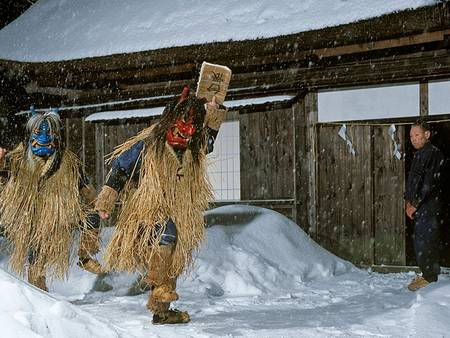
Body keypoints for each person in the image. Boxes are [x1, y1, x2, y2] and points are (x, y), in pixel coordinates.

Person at [95, 85, 227, 324]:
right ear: (170, 122)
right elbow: (121, 167)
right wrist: (107, 199)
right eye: (180, 128)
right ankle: (157, 284)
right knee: (167, 232)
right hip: (147, 209)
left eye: (190, 132)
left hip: (179, 210)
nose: (184, 136)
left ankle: (162, 311)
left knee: (174, 259)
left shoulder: (193, 147)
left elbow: (208, 142)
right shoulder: (149, 145)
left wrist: (213, 111)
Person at [0, 108, 102, 291]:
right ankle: (39, 294)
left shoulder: (69, 163)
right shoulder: (15, 161)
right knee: (36, 256)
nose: (44, 138)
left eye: (50, 133)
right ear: (30, 135)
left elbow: (85, 187)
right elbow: (3, 178)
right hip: (30, 218)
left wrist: (100, 203)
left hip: (61, 217)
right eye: (39, 133)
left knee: (92, 218)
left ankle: (85, 256)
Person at [405, 119, 445, 291]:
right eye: (411, 136)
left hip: (428, 206)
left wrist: (416, 203)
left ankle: (429, 278)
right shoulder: (420, 154)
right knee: (421, 240)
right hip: (419, 206)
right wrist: (408, 201)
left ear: (427, 135)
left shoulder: (433, 154)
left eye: (417, 135)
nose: (413, 138)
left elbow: (428, 183)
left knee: (426, 241)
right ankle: (427, 274)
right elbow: (414, 181)